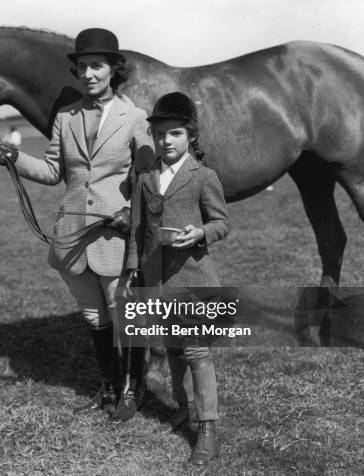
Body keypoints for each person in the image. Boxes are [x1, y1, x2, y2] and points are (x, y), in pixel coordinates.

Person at [0, 28, 155, 421]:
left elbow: (148, 175)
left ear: (114, 70)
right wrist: (14, 156)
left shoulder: (135, 118)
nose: (88, 74)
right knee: (94, 316)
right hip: (73, 235)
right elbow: (51, 171)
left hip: (115, 231)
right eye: (82, 67)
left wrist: (133, 213)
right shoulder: (65, 117)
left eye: (96, 66)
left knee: (123, 312)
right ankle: (109, 387)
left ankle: (132, 391)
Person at [126, 92, 230, 464]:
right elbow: (138, 230)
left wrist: (200, 233)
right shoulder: (146, 178)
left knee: (197, 351)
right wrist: (132, 272)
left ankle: (208, 428)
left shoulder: (203, 177)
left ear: (191, 137)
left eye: (175, 134)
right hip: (156, 278)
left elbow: (222, 222)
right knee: (171, 345)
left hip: (193, 278)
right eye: (160, 135)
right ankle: (184, 404)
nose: (166, 141)